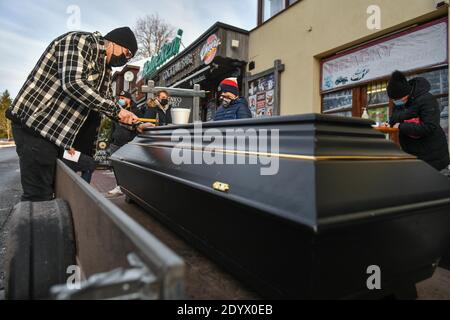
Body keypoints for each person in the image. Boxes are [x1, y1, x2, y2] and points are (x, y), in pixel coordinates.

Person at [6, 27, 142, 202]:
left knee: (82, 167)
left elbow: (106, 101)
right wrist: (117, 110)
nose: (125, 59)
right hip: (35, 126)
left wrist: (135, 122)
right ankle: (35, 225)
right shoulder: (81, 42)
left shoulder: (105, 69)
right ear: (116, 42)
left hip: (56, 136)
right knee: (39, 195)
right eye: (127, 53)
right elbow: (73, 84)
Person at [387, 70, 450, 171]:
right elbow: (393, 118)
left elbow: (429, 126)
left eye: (398, 99)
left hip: (433, 156)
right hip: (412, 155)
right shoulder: (399, 103)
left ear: (406, 93)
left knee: (438, 185)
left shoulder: (427, 99)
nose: (396, 102)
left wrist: (400, 126)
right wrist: (391, 122)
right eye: (394, 100)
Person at [61, 111, 101, 184]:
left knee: (85, 182)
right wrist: (67, 145)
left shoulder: (99, 112)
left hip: (88, 151)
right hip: (72, 150)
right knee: (65, 181)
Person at [109, 90, 144, 154]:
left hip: (128, 145)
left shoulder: (136, 111)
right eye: (119, 98)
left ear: (129, 99)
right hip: (115, 144)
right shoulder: (118, 111)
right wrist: (111, 139)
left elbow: (138, 127)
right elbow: (113, 126)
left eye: (122, 98)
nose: (120, 100)